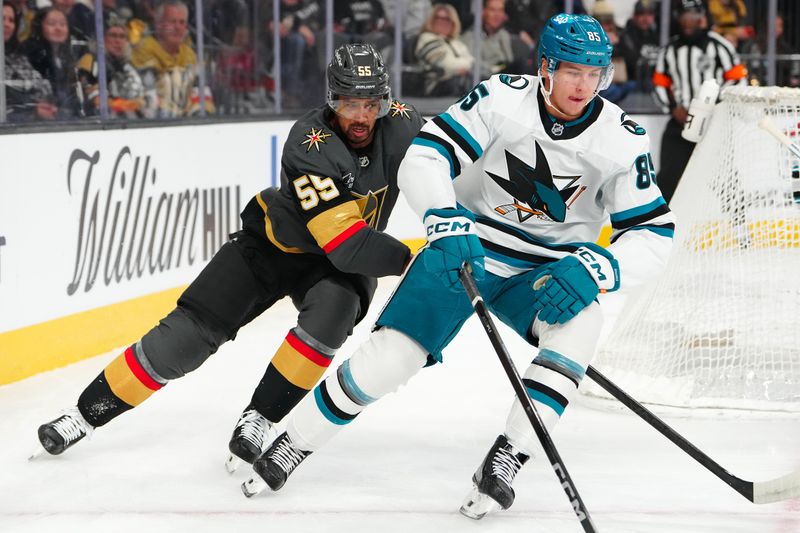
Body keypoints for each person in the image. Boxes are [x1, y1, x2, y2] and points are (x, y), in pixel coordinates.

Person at [241, 13, 675, 522]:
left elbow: (653, 232)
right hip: (465, 247)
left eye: (594, 72)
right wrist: (443, 215)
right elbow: (426, 155)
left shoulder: (621, 138)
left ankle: (508, 456)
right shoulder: (500, 98)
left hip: (546, 272)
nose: (584, 84)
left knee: (582, 327)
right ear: (546, 68)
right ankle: (295, 440)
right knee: (392, 358)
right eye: (572, 70)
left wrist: (598, 266)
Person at [33, 44, 424, 478]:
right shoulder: (309, 142)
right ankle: (85, 414)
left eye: (371, 104)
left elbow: (456, 162)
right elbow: (347, 245)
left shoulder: (405, 125)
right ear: (333, 99)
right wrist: (413, 260)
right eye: (351, 103)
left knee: (331, 316)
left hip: (335, 268)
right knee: (186, 337)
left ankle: (260, 417)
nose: (362, 117)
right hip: (276, 247)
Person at [652, 0, 746, 203]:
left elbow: (738, 79)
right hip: (680, 125)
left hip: (714, 125)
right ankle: (659, 228)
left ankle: (741, 229)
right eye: (684, 16)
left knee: (726, 180)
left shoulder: (720, 46)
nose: (688, 21)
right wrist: (672, 108)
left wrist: (714, 106)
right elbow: (659, 83)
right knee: (667, 179)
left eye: (693, 16)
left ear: (702, 17)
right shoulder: (670, 50)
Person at [131, 0, 214, 117]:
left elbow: (202, 94)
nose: (178, 27)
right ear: (158, 25)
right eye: (172, 22)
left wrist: (199, 116)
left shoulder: (190, 54)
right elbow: (150, 99)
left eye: (182, 22)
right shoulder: (143, 52)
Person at [76, 17, 148, 118]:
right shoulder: (89, 61)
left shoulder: (129, 67)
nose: (117, 41)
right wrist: (128, 105)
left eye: (122, 36)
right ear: (102, 39)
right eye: (113, 35)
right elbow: (96, 101)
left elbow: (143, 99)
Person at [21, 7, 83, 119]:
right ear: (39, 27)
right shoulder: (29, 54)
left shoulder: (67, 57)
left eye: (63, 24)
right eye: (51, 23)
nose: (58, 28)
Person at [3, 0, 57, 122]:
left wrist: (39, 106)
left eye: (11, 20)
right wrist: (32, 109)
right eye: (2, 18)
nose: (6, 24)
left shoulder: (17, 56)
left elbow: (43, 86)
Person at [415, 3, 473, 97]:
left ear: (453, 22)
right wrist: (465, 66)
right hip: (435, 88)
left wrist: (464, 67)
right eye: (437, 18)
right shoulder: (426, 38)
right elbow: (445, 64)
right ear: (431, 20)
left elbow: (473, 63)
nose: (441, 22)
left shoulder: (457, 42)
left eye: (447, 19)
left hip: (458, 86)